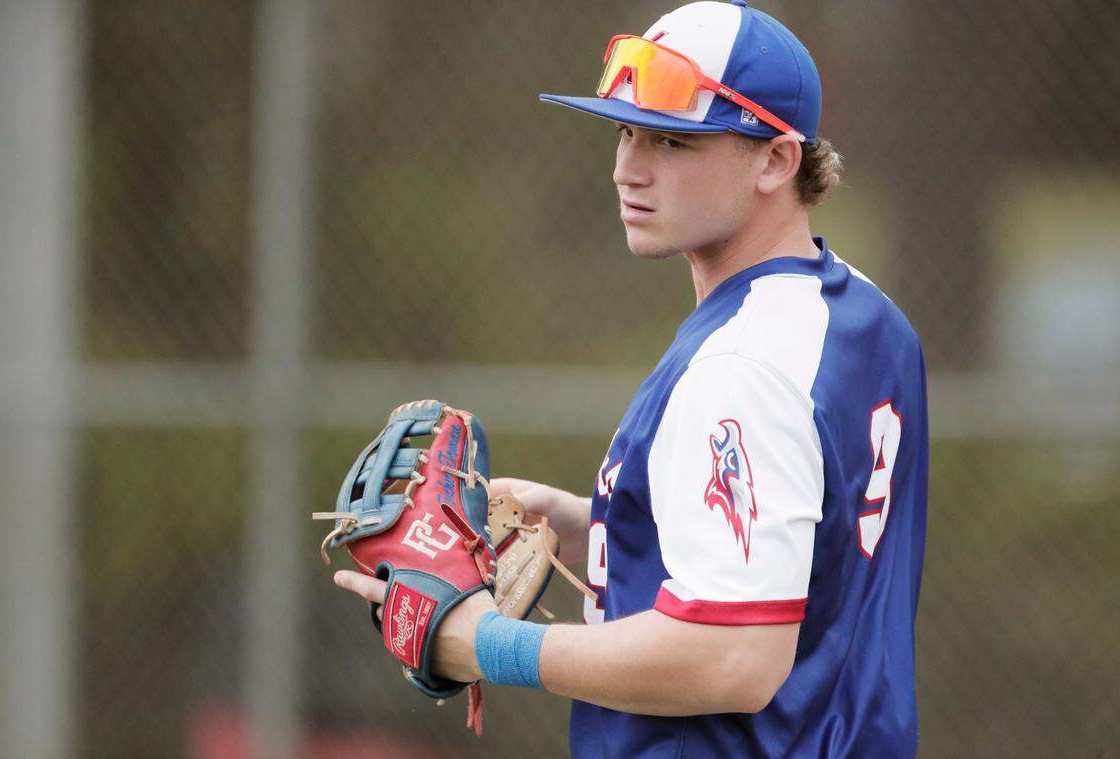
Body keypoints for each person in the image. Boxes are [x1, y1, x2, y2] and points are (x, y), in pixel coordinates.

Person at [333, 1, 929, 756]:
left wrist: (487, 642)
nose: (628, 168)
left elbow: (734, 656)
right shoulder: (860, 316)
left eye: (673, 141)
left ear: (777, 160)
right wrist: (594, 522)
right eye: (625, 131)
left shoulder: (742, 365)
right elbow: (807, 540)